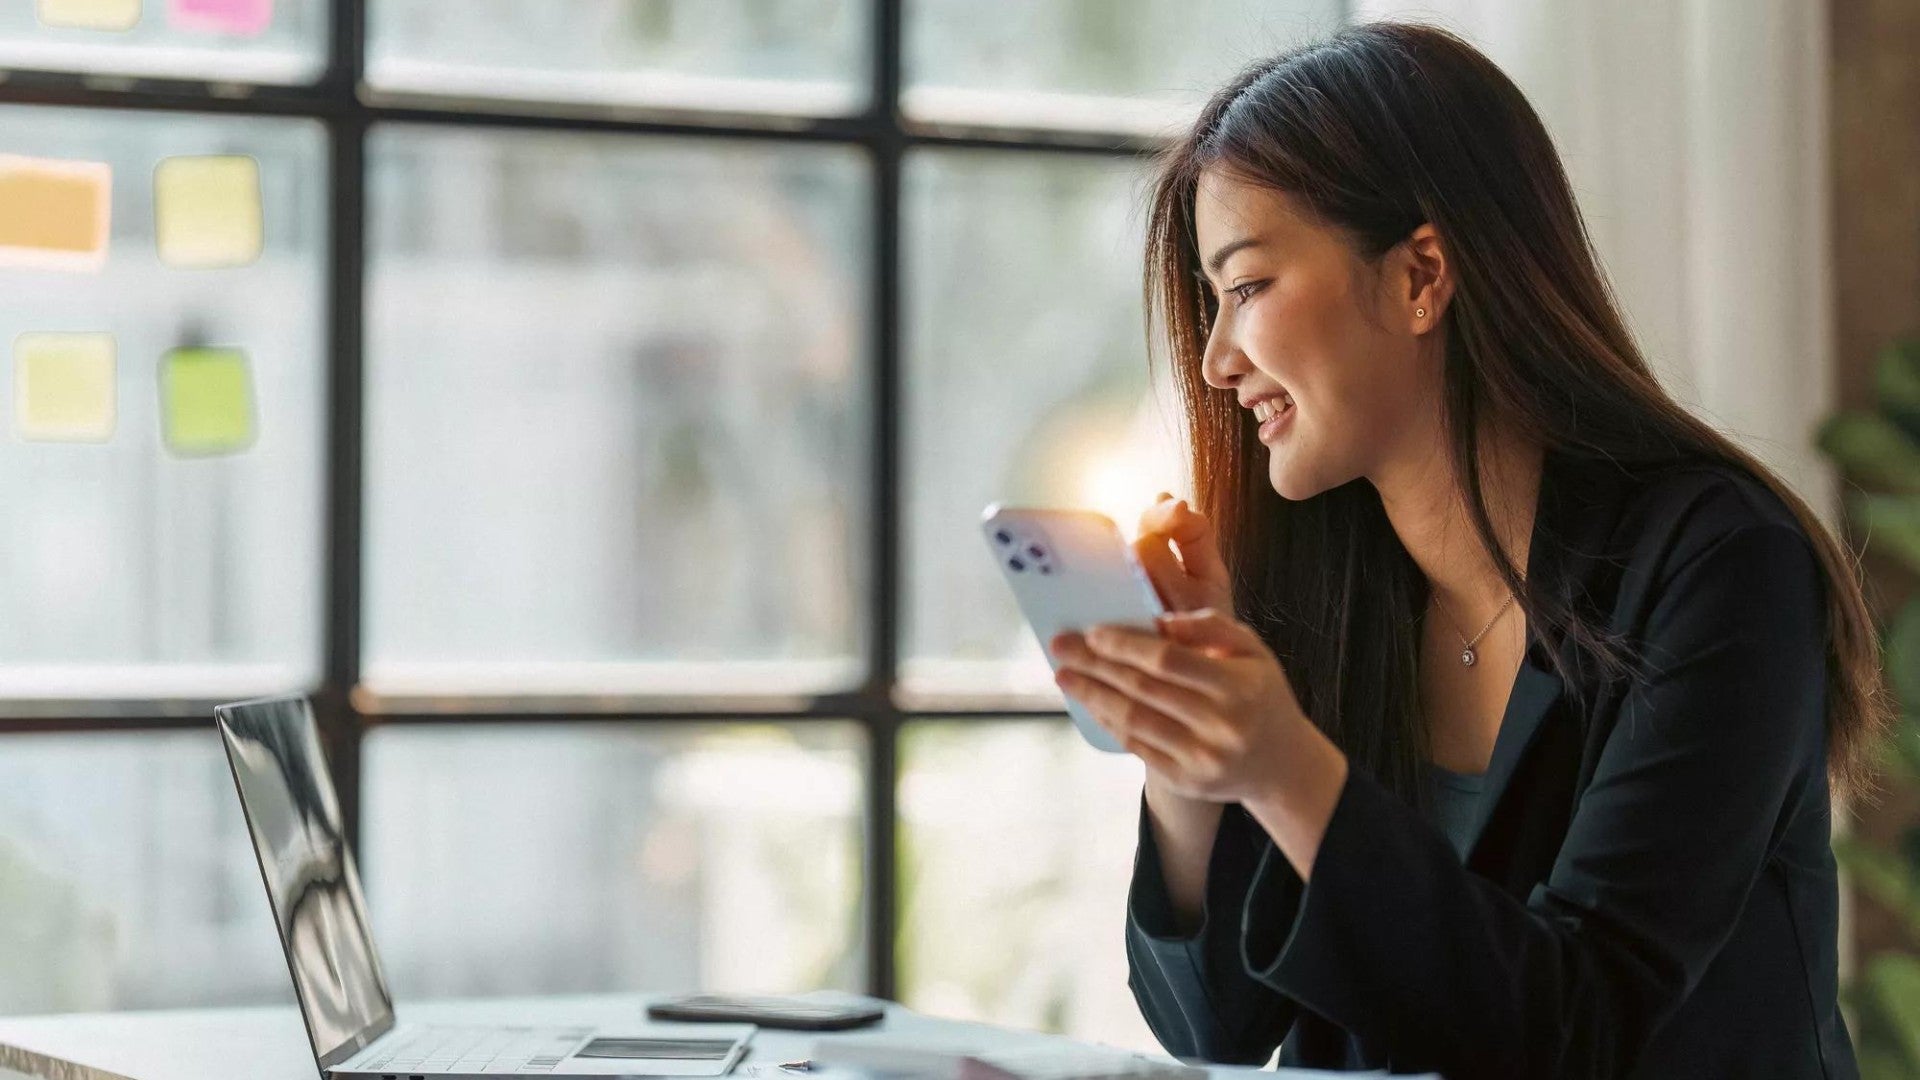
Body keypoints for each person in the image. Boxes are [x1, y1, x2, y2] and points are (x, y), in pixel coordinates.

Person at [1044, 20, 1885, 1079]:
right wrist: (1190, 764)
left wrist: (1286, 768)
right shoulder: (1318, 591)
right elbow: (1217, 1030)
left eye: (1247, 287)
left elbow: (1578, 1030)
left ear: (1420, 276)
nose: (1215, 361)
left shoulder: (1721, 566)